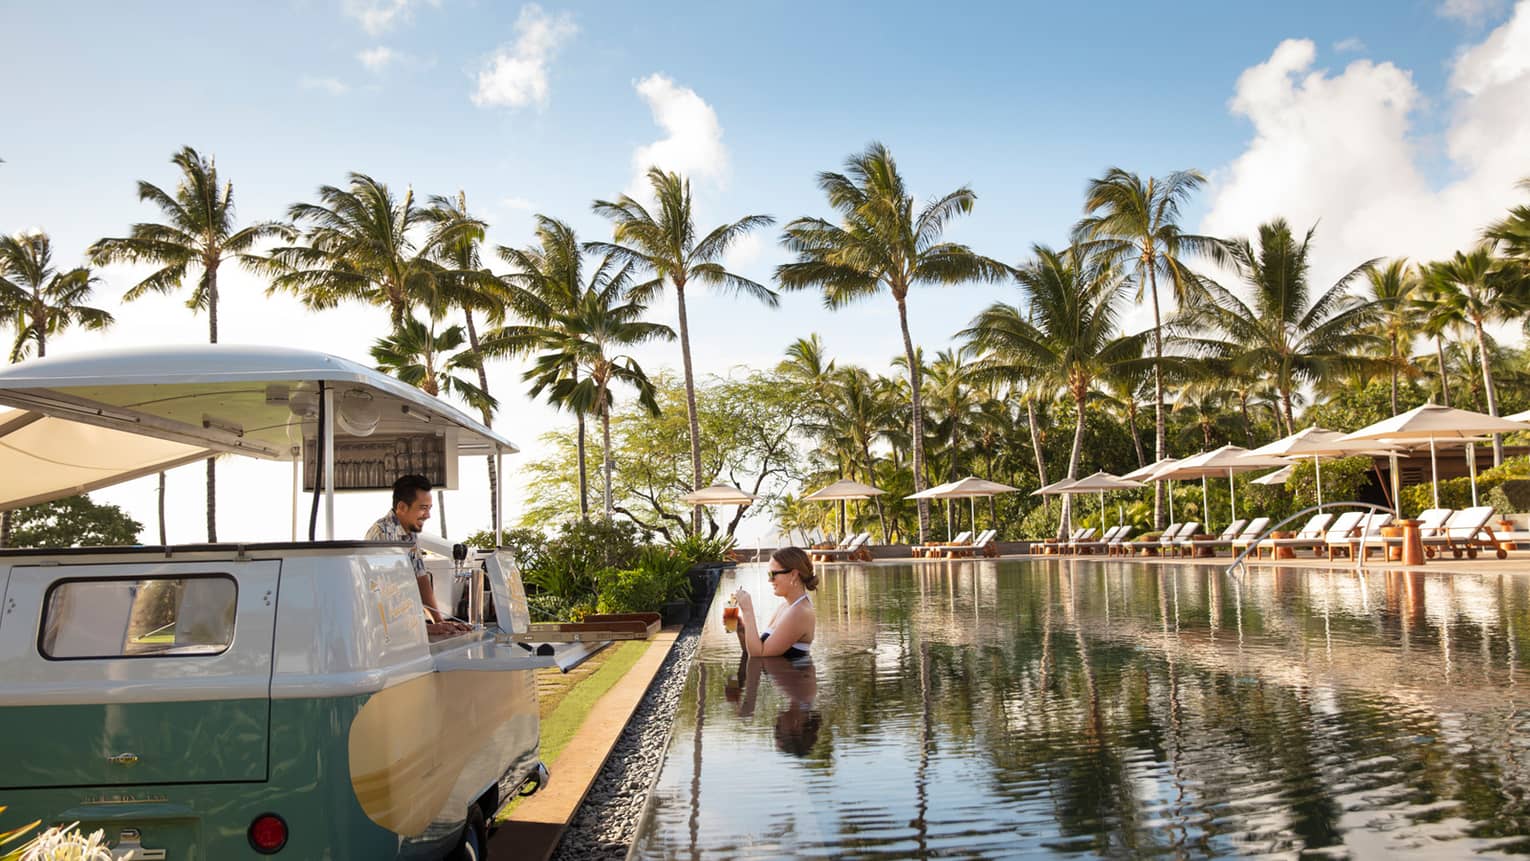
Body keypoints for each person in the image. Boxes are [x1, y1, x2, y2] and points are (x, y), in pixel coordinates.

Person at [366, 474, 469, 636]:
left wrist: (438, 621)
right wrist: (423, 628)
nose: (427, 515)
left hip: (405, 629)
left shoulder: (410, 532)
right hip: (385, 634)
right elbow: (384, 595)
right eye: (422, 508)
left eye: (429, 508)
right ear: (401, 507)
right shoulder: (381, 535)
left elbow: (421, 579)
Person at [733, 547, 816, 659]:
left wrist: (748, 611)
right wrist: (743, 630)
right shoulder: (785, 607)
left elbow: (759, 656)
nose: (769, 580)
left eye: (773, 574)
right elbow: (756, 649)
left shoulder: (799, 612)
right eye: (769, 575)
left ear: (793, 575)